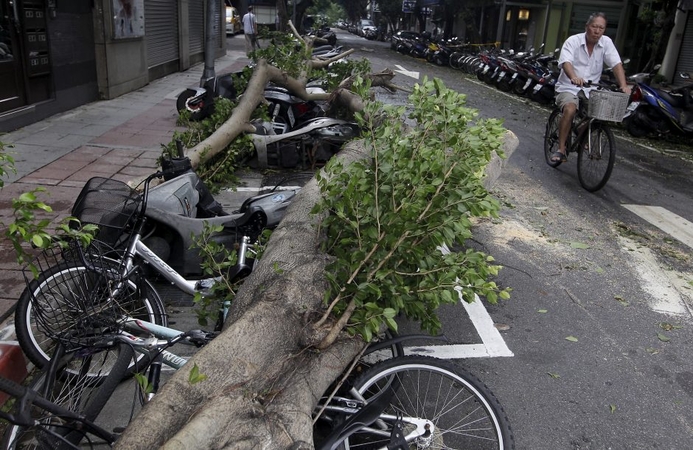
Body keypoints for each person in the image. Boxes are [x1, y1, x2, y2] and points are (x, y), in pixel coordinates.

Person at [550, 12, 631, 163]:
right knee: (570, 109)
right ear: (587, 26)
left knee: (603, 111)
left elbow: (616, 64)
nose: (597, 31)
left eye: (601, 28)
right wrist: (573, 77)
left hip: (590, 90)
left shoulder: (606, 42)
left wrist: (624, 85)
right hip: (568, 87)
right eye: (594, 26)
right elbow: (566, 62)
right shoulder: (573, 41)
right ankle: (561, 149)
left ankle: (581, 131)